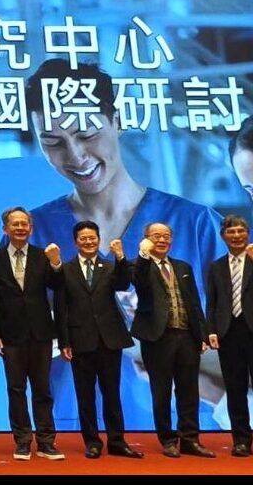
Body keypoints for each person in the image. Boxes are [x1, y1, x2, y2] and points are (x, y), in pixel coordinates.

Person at [25, 58, 225, 431]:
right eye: (52, 142)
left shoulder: (197, 226)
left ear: (116, 121)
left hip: (195, 431)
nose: (75, 155)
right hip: (71, 434)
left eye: (87, 134)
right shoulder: (32, 233)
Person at [53, 221, 142, 459]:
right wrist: (64, 341)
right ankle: (92, 442)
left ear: (99, 240)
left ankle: (117, 441)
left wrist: (121, 257)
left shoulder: (110, 266)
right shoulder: (65, 270)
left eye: (92, 238)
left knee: (112, 393)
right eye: (83, 238)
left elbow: (123, 284)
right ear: (76, 242)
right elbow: (61, 307)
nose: (88, 242)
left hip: (109, 339)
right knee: (85, 396)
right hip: (79, 340)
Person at [0, 206, 65, 461]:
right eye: (15, 224)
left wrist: (56, 264)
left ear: (31, 228)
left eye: (24, 224)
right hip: (10, 335)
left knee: (42, 389)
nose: (20, 228)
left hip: (41, 333)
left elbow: (58, 287)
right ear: (5, 229)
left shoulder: (43, 256)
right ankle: (22, 441)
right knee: (16, 389)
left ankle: (46, 441)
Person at [132, 222, 214, 458]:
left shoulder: (182, 266)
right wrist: (143, 255)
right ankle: (168, 439)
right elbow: (139, 283)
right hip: (157, 338)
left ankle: (190, 439)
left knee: (189, 391)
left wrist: (201, 334)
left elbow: (194, 303)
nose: (162, 240)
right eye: (156, 236)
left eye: (166, 236)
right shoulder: (139, 265)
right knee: (162, 392)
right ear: (146, 238)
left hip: (187, 337)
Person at [206, 214, 253, 456]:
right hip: (229, 334)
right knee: (235, 390)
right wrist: (211, 330)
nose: (236, 236)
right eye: (231, 232)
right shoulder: (216, 267)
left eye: (241, 231)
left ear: (248, 233)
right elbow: (212, 303)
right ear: (223, 236)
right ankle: (241, 439)